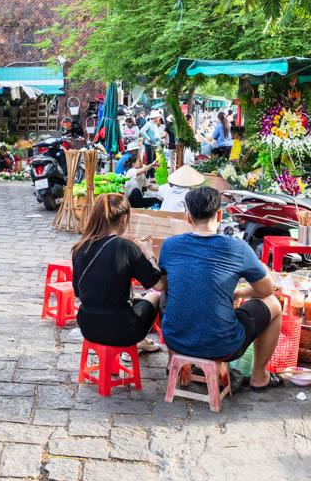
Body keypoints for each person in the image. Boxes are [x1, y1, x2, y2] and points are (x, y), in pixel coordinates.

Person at [159, 186, 285, 391]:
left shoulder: (170, 245)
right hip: (222, 346)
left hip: (176, 341)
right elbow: (265, 291)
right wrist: (241, 291)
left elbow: (167, 284)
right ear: (219, 214)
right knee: (274, 305)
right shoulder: (238, 247)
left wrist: (233, 293)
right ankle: (259, 377)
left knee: (166, 297)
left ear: (188, 217)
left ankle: (176, 366)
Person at [72, 193, 165, 352]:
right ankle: (137, 341)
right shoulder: (126, 247)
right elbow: (159, 285)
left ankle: (140, 341)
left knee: (132, 299)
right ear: (124, 219)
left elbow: (79, 294)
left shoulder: (80, 247)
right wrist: (148, 253)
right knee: (154, 296)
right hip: (121, 330)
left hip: (88, 327)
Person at [124, 145, 160, 209]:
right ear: (133, 164)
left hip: (139, 200)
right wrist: (152, 164)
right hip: (130, 200)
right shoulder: (131, 171)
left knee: (157, 200)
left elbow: (149, 186)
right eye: (139, 161)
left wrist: (161, 189)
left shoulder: (142, 173)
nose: (141, 163)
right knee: (136, 191)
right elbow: (144, 169)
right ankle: (138, 209)